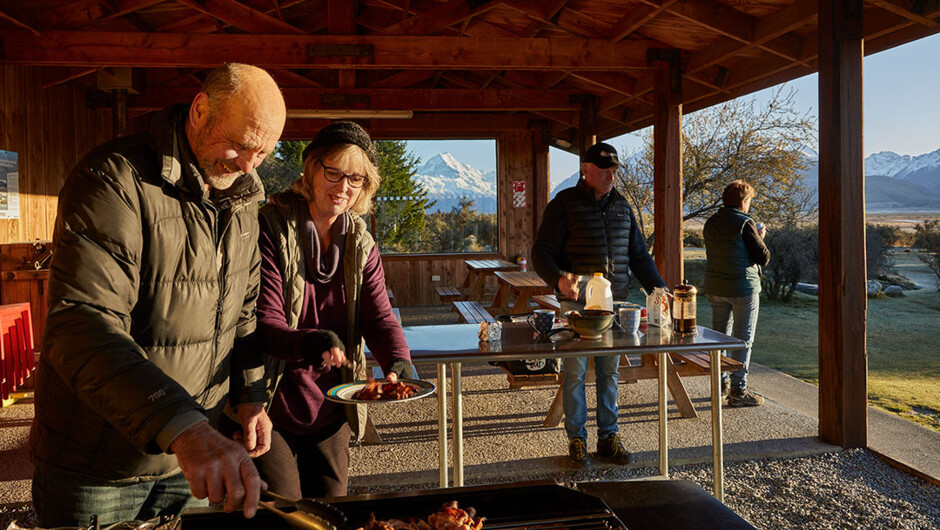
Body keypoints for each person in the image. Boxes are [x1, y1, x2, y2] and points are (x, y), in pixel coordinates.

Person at [29, 63, 286, 527]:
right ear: (200, 110)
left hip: (191, 454)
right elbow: (82, 326)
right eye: (241, 144)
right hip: (99, 464)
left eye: (263, 153)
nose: (248, 164)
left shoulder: (244, 199)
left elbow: (244, 316)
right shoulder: (114, 179)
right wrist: (182, 427)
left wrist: (250, 396)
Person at [255, 121, 413, 499]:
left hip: (333, 404)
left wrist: (399, 361)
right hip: (270, 401)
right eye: (334, 173)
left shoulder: (360, 241)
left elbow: (379, 317)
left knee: (334, 513)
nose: (343, 187)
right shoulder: (270, 228)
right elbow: (264, 322)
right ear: (311, 168)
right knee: (286, 516)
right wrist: (312, 342)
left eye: (355, 178)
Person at [531, 142, 667, 465]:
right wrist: (559, 278)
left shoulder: (623, 207)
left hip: (616, 305)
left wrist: (659, 290)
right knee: (575, 374)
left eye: (615, 170)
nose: (612, 176)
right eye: (605, 171)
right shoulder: (563, 204)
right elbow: (540, 253)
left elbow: (639, 257)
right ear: (586, 171)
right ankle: (577, 440)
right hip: (576, 308)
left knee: (610, 373)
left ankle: (608, 438)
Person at [703, 179, 771, 407]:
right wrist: (760, 235)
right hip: (743, 289)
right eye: (749, 201)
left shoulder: (711, 223)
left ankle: (720, 386)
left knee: (719, 339)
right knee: (743, 341)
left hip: (716, 287)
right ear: (743, 202)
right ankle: (738, 391)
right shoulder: (745, 223)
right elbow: (763, 257)